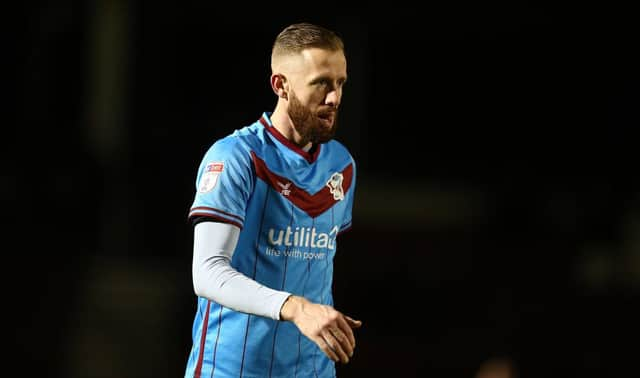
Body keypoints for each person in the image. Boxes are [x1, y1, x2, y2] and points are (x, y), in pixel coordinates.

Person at [183, 22, 362, 378]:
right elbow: (206, 273)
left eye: (340, 83)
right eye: (321, 83)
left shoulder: (341, 166)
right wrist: (295, 307)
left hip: (312, 371)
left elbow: (312, 267)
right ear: (280, 85)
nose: (335, 97)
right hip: (233, 369)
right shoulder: (235, 157)